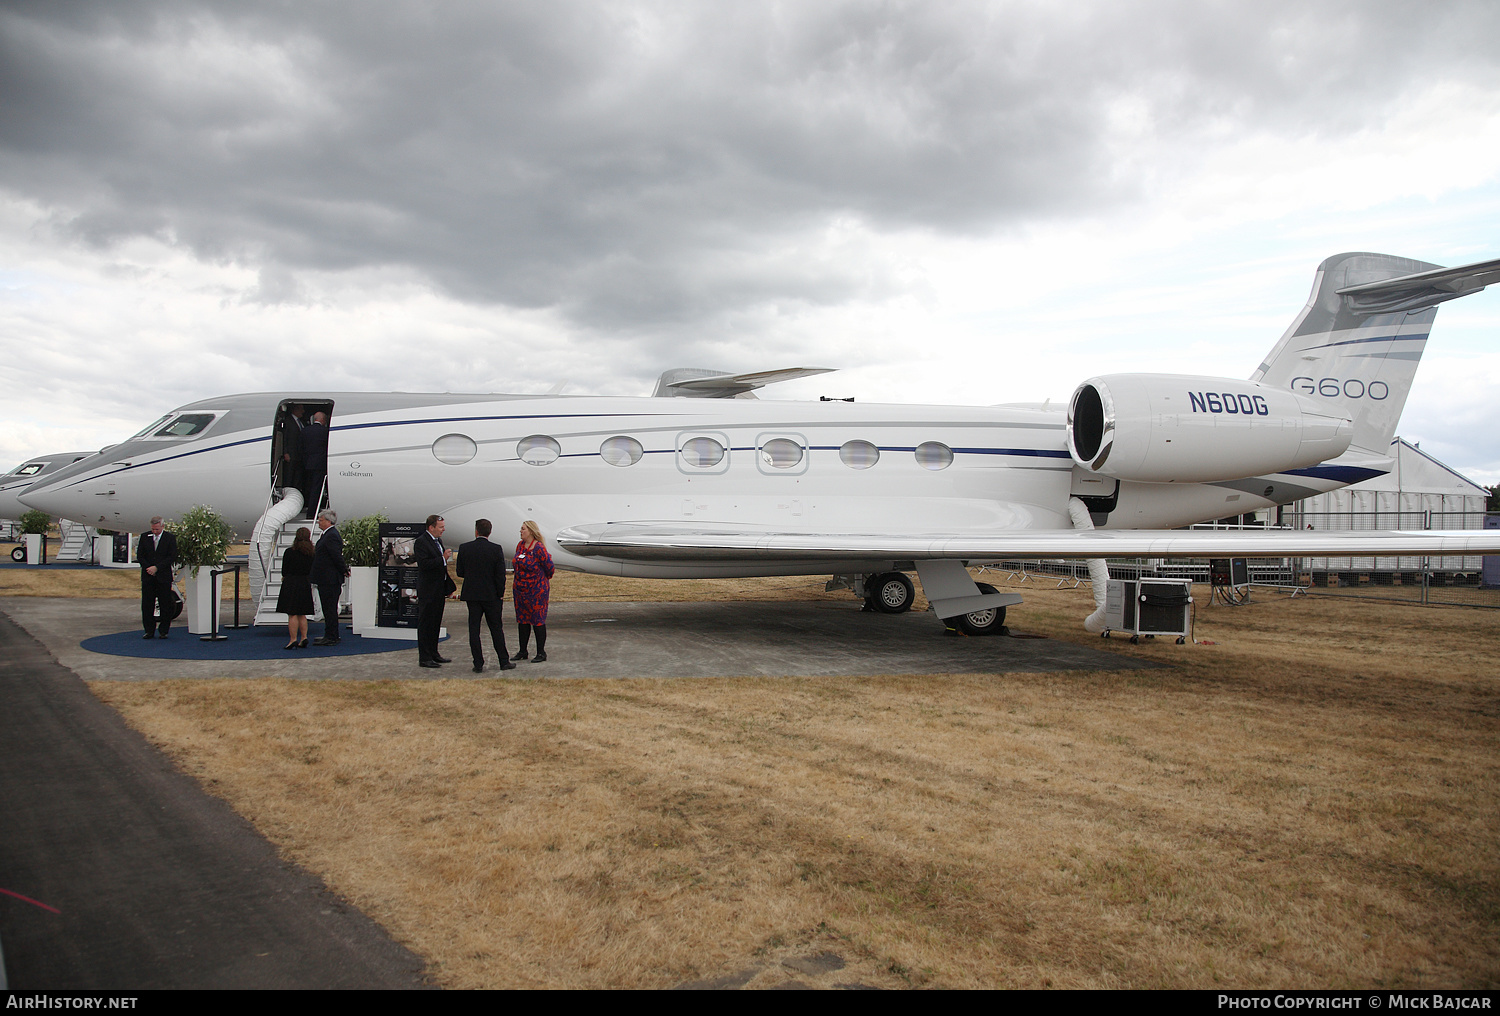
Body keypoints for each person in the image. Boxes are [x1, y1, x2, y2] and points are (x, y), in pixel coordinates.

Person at [456, 518, 515, 674]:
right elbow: (500, 575)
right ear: (490, 532)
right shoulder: (496, 549)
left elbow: (460, 572)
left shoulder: (464, 548)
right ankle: (503, 660)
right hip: (491, 596)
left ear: (476, 531)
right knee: (496, 629)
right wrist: (500, 593)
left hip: (472, 595)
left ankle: (478, 663)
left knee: (474, 630)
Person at [415, 513, 456, 668]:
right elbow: (424, 564)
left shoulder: (438, 541)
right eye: (441, 527)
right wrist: (442, 559)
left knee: (435, 623)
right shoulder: (421, 542)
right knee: (426, 623)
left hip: (439, 589)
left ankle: (434, 653)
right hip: (428, 590)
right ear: (431, 527)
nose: (443, 530)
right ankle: (424, 657)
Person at [512, 520, 554, 663]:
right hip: (520, 591)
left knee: (537, 621)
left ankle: (541, 653)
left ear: (530, 531)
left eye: (523, 529)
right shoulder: (520, 546)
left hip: (536, 592)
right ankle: (523, 651)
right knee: (522, 621)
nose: (520, 531)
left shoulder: (538, 548)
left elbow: (549, 568)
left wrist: (539, 581)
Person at [311, 509, 349, 646]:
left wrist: (343, 569)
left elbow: (336, 556)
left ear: (328, 521)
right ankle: (331, 634)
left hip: (329, 579)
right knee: (328, 608)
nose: (318, 523)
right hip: (326, 578)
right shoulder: (327, 534)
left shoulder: (331, 535)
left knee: (329, 609)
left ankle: (331, 636)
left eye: (320, 520)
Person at [136, 515, 178, 639]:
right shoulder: (145, 537)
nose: (154, 532)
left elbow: (171, 556)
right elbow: (140, 555)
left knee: (165, 603)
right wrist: (148, 567)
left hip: (163, 576)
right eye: (153, 529)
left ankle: (164, 630)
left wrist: (157, 567)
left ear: (162, 527)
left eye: (157, 530)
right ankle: (149, 630)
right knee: (147, 604)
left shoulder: (169, 538)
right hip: (148, 576)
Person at [276, 526, 316, 649]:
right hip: (304, 582)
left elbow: (284, 570)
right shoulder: (311, 553)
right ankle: (304, 637)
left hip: (291, 582)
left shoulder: (289, 552)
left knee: (292, 614)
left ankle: (293, 639)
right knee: (302, 614)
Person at [301, 410, 330, 517]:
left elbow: (301, 447)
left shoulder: (305, 430)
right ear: (323, 420)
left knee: (309, 487)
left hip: (307, 463)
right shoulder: (325, 431)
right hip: (320, 464)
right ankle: (312, 512)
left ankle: (307, 507)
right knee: (317, 488)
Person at [278, 403, 305, 493]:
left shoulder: (300, 422)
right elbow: (285, 437)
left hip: (298, 454)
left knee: (297, 476)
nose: (303, 412)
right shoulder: (288, 421)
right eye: (301, 409)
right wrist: (285, 452)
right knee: (289, 476)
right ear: (295, 410)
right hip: (291, 454)